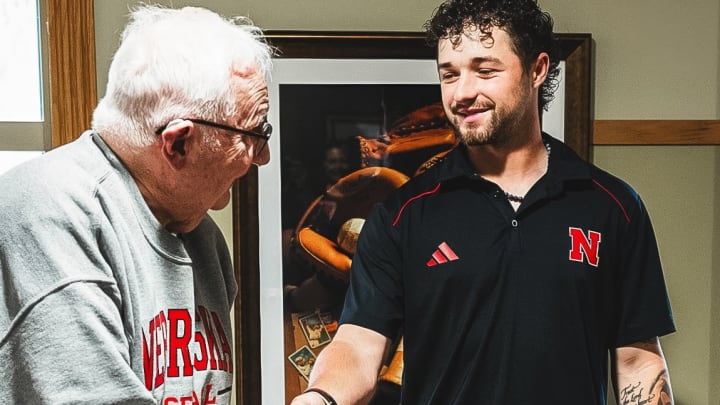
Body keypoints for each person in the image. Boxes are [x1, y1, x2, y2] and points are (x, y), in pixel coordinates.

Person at [291, 0, 676, 404]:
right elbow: (358, 345)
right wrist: (320, 398)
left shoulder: (612, 205)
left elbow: (635, 358)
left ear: (537, 69)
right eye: (449, 75)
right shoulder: (402, 214)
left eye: (485, 70)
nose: (462, 93)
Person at [0, 5, 272, 404]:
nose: (261, 157)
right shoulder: (49, 214)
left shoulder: (201, 238)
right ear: (178, 143)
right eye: (253, 134)